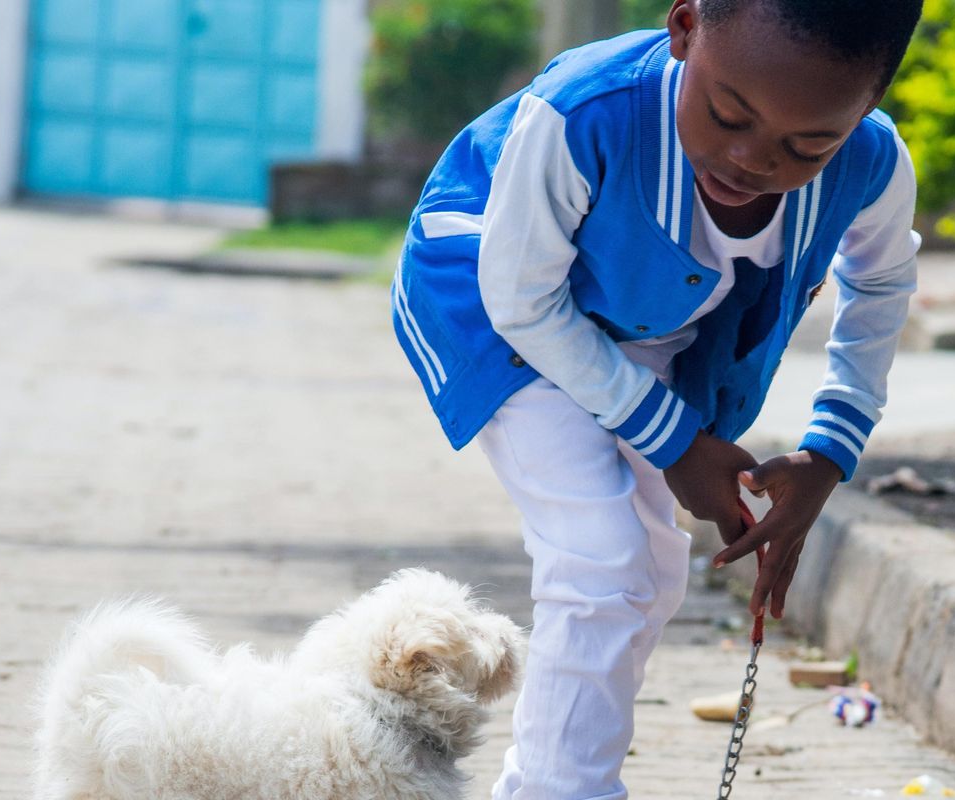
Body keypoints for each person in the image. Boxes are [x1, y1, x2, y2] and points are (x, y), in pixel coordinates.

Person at [390, 0, 924, 796]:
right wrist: (674, 442)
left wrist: (828, 450)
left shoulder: (871, 161)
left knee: (651, 572)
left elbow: (879, 281)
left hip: (647, 329)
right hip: (499, 306)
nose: (751, 159)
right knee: (600, 558)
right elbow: (523, 300)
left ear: (865, 109)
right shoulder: (584, 114)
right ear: (684, 28)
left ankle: (548, 777)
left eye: (807, 144)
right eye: (727, 114)